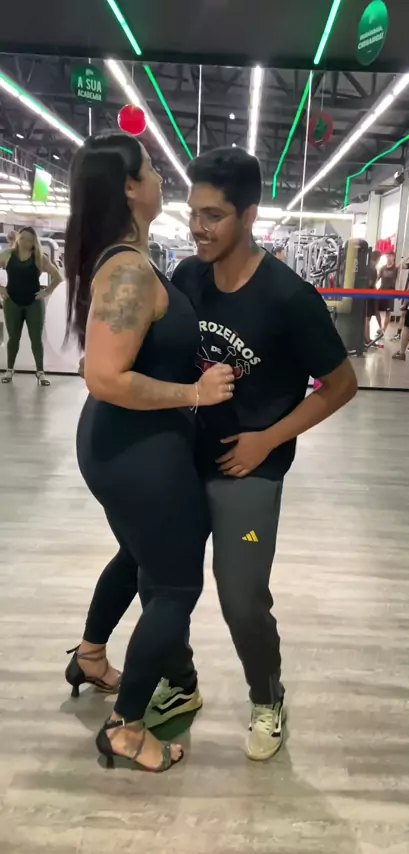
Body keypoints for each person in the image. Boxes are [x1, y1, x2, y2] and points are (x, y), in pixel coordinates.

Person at [146, 146, 357, 761]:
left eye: (213, 215)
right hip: (185, 459)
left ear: (249, 215)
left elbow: (342, 385)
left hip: (252, 469)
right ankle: (181, 684)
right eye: (193, 213)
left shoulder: (289, 297)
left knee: (241, 598)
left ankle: (268, 699)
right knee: (161, 583)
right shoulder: (188, 277)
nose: (198, 227)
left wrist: (270, 437)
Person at [64, 132, 234, 772]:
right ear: (131, 188)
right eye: (152, 169)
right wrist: (195, 392)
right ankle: (127, 729)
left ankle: (89, 656)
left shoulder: (131, 260)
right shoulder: (129, 270)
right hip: (136, 449)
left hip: (124, 443)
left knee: (137, 555)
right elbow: (104, 376)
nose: (163, 177)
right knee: (175, 586)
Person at [0, 226, 61, 385]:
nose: (25, 242)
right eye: (23, 238)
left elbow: (57, 277)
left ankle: (40, 372)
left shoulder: (39, 258)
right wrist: (0, 288)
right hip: (12, 301)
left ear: (34, 242)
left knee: (36, 339)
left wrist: (46, 291)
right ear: (18, 239)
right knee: (13, 338)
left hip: (34, 303)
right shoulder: (7, 254)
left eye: (29, 240)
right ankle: (9, 370)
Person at [376, 251, 397, 334]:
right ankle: (380, 327)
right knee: (376, 309)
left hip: (390, 292)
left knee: (388, 312)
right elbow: (377, 278)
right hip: (381, 291)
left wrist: (408, 257)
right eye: (387, 256)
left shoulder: (395, 268)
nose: (388, 258)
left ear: (393, 257)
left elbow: (403, 265)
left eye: (390, 256)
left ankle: (384, 329)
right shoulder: (383, 268)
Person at [364, 249, 382, 344]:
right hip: (370, 294)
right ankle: (367, 339)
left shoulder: (367, 267)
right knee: (367, 317)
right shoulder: (372, 269)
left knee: (367, 317)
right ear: (377, 258)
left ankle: (365, 337)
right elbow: (370, 283)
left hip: (366, 294)